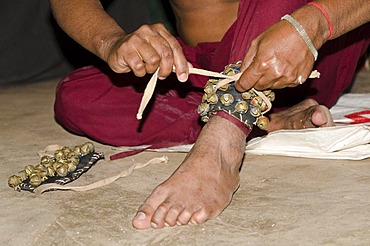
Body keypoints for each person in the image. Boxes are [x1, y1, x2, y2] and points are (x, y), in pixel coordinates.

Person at [50, 0, 370, 229]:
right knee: (79, 97)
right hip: (210, 68)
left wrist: (312, 23)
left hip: (310, 51)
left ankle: (223, 139)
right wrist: (114, 42)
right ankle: (268, 120)